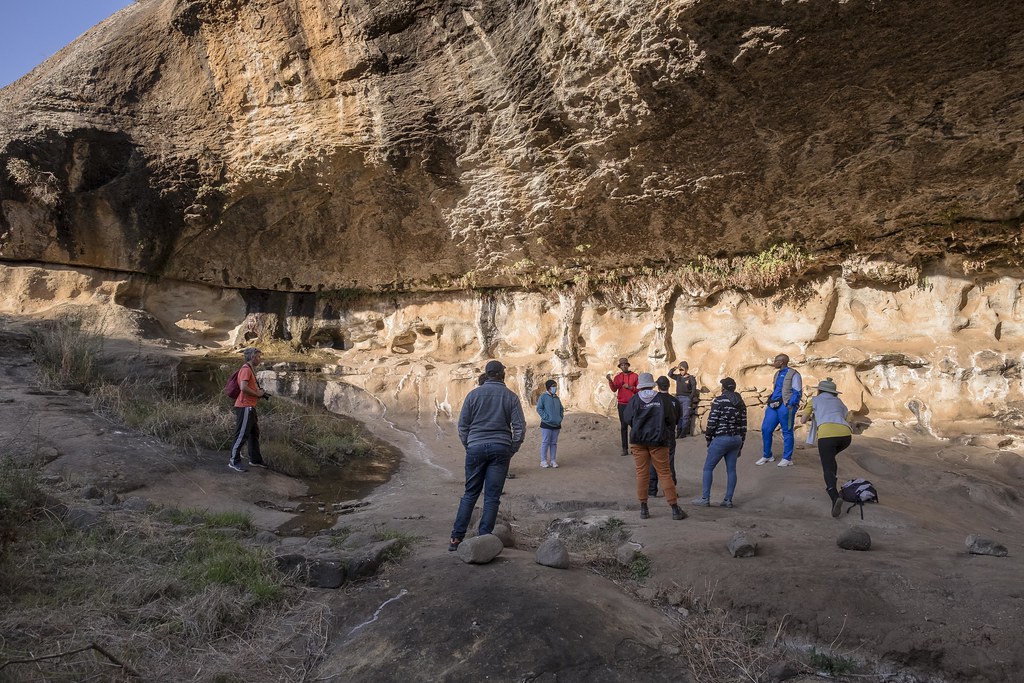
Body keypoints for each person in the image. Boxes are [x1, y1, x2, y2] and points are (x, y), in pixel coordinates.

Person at [449, 360, 526, 551]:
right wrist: (511, 448)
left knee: (470, 493)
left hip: (475, 446)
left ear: (487, 374)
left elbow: (462, 426)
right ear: (501, 375)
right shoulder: (511, 397)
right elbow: (520, 427)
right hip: (501, 448)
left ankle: (456, 539)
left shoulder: (473, 395)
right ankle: (483, 540)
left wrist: (469, 444)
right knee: (492, 497)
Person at [623, 372, 685, 521]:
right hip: (658, 440)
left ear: (640, 386)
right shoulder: (662, 399)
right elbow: (671, 419)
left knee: (642, 474)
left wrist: (637, 426)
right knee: (664, 472)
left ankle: (644, 508)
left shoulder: (634, 399)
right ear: (652, 384)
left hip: (638, 440)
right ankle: (674, 508)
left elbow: (627, 418)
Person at [800, 378, 853, 517]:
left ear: (819, 390)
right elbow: (844, 416)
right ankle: (832, 481)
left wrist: (813, 415)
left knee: (827, 466)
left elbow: (802, 420)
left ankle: (834, 496)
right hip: (846, 436)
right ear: (834, 392)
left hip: (827, 435)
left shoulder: (815, 400)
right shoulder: (840, 402)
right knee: (831, 458)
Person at [694, 377, 747, 508]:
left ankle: (705, 498)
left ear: (723, 388)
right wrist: (741, 444)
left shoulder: (719, 401)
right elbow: (744, 425)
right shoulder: (741, 402)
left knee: (708, 468)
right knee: (731, 470)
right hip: (736, 439)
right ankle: (728, 500)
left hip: (721, 438)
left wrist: (708, 439)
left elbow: (712, 422)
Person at [756, 353, 802, 467]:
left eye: (776, 361)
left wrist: (791, 404)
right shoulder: (777, 374)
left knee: (787, 431)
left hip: (786, 405)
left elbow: (797, 391)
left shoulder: (794, 374)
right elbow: (776, 389)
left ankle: (787, 458)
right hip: (773, 404)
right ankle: (767, 455)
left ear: (781, 362)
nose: (774, 362)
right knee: (766, 429)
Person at [228, 347, 270, 472]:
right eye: (258, 356)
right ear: (252, 357)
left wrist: (260, 393)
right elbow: (243, 387)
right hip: (245, 406)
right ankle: (233, 461)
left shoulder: (250, 369)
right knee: (241, 434)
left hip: (250, 406)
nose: (260, 359)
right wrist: (257, 394)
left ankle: (255, 460)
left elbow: (248, 387)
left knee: (253, 434)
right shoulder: (246, 369)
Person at [648, 376, 679, 497]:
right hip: (669, 433)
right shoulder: (674, 401)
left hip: (655, 433)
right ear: (668, 386)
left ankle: (652, 490)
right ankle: (670, 490)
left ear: (658, 386)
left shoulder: (653, 400)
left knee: (653, 461)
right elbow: (677, 418)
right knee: (669, 462)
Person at [606, 357, 639, 456]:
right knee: (623, 426)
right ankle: (624, 448)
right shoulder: (618, 377)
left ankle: (634, 447)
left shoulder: (635, 376)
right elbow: (614, 389)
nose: (623, 366)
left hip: (632, 404)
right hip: (622, 405)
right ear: (620, 367)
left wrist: (630, 387)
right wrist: (610, 381)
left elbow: (639, 389)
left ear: (628, 365)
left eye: (625, 364)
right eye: (622, 365)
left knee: (634, 426)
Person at [536, 379, 564, 468]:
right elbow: (539, 408)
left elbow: (561, 409)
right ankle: (543, 461)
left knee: (554, 443)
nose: (554, 388)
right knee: (545, 442)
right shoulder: (543, 397)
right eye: (553, 386)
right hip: (546, 424)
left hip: (556, 424)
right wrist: (546, 417)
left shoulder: (557, 398)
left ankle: (553, 460)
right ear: (548, 388)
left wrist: (560, 418)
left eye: (555, 386)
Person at [668, 361, 699, 438]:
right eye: (680, 370)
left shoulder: (691, 378)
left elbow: (693, 389)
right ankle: (678, 432)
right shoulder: (678, 377)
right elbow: (670, 374)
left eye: (682, 369)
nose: (681, 371)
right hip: (678, 398)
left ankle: (683, 433)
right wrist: (675, 368)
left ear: (687, 369)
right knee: (679, 416)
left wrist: (690, 398)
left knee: (685, 416)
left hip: (686, 399)